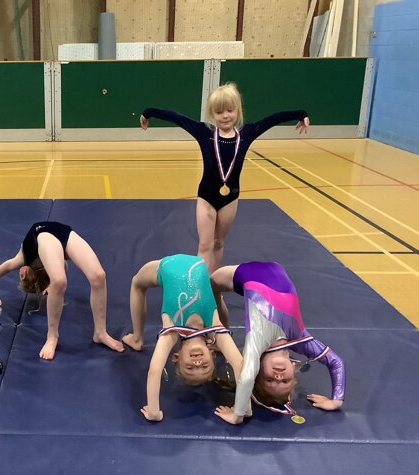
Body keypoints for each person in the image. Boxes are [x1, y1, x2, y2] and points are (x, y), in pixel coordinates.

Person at [140, 83, 310, 273]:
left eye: (230, 110)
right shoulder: (204, 133)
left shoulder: (247, 134)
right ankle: (201, 286)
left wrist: (300, 114)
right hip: (206, 197)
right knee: (205, 245)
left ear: (237, 110)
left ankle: (214, 283)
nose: (225, 116)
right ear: (212, 114)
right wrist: (148, 113)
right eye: (219, 112)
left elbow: (272, 119)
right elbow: (176, 117)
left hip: (230, 199)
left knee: (219, 243)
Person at [211, 262, 346, 425]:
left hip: (238, 276)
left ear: (258, 370)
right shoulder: (300, 339)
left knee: (210, 289)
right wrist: (336, 400)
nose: (278, 377)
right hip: (274, 268)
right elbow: (336, 362)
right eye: (285, 381)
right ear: (293, 369)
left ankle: (218, 331)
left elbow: (246, 378)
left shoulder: (257, 340)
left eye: (270, 380)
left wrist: (238, 415)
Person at [122, 254, 243, 422]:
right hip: (199, 264)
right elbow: (240, 366)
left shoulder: (170, 332)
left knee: (137, 283)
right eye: (205, 366)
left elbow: (155, 370)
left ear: (176, 357)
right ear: (212, 354)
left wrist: (154, 412)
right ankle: (217, 337)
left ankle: (137, 339)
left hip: (166, 265)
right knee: (215, 296)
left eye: (189, 368)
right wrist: (240, 411)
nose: (197, 363)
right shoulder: (215, 327)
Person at [0, 221, 124, 361]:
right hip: (55, 234)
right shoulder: (30, 262)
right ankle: (52, 337)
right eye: (24, 278)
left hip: (53, 232)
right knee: (61, 281)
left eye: (21, 276)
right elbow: (61, 271)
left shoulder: (22, 258)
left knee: (98, 276)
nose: (21, 273)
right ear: (34, 276)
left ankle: (100, 333)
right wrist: (52, 287)